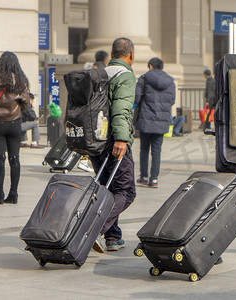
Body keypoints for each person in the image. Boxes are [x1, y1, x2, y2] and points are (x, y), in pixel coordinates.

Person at [90, 37, 137, 252]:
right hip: (114, 141)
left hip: (95, 141)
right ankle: (94, 229)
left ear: (111, 54)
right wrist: (121, 139)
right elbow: (121, 109)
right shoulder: (125, 75)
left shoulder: (100, 74)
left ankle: (112, 237)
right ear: (131, 56)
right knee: (126, 191)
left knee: (108, 190)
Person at [0, 51, 30, 205]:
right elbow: (26, 103)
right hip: (15, 123)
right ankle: (13, 194)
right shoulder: (21, 81)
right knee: (15, 159)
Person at [135, 57, 175, 188]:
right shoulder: (170, 81)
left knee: (144, 149)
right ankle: (154, 179)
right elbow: (172, 100)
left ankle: (144, 176)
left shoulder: (144, 79)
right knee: (157, 150)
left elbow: (137, 97)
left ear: (150, 66)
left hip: (145, 118)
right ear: (162, 67)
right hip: (162, 121)